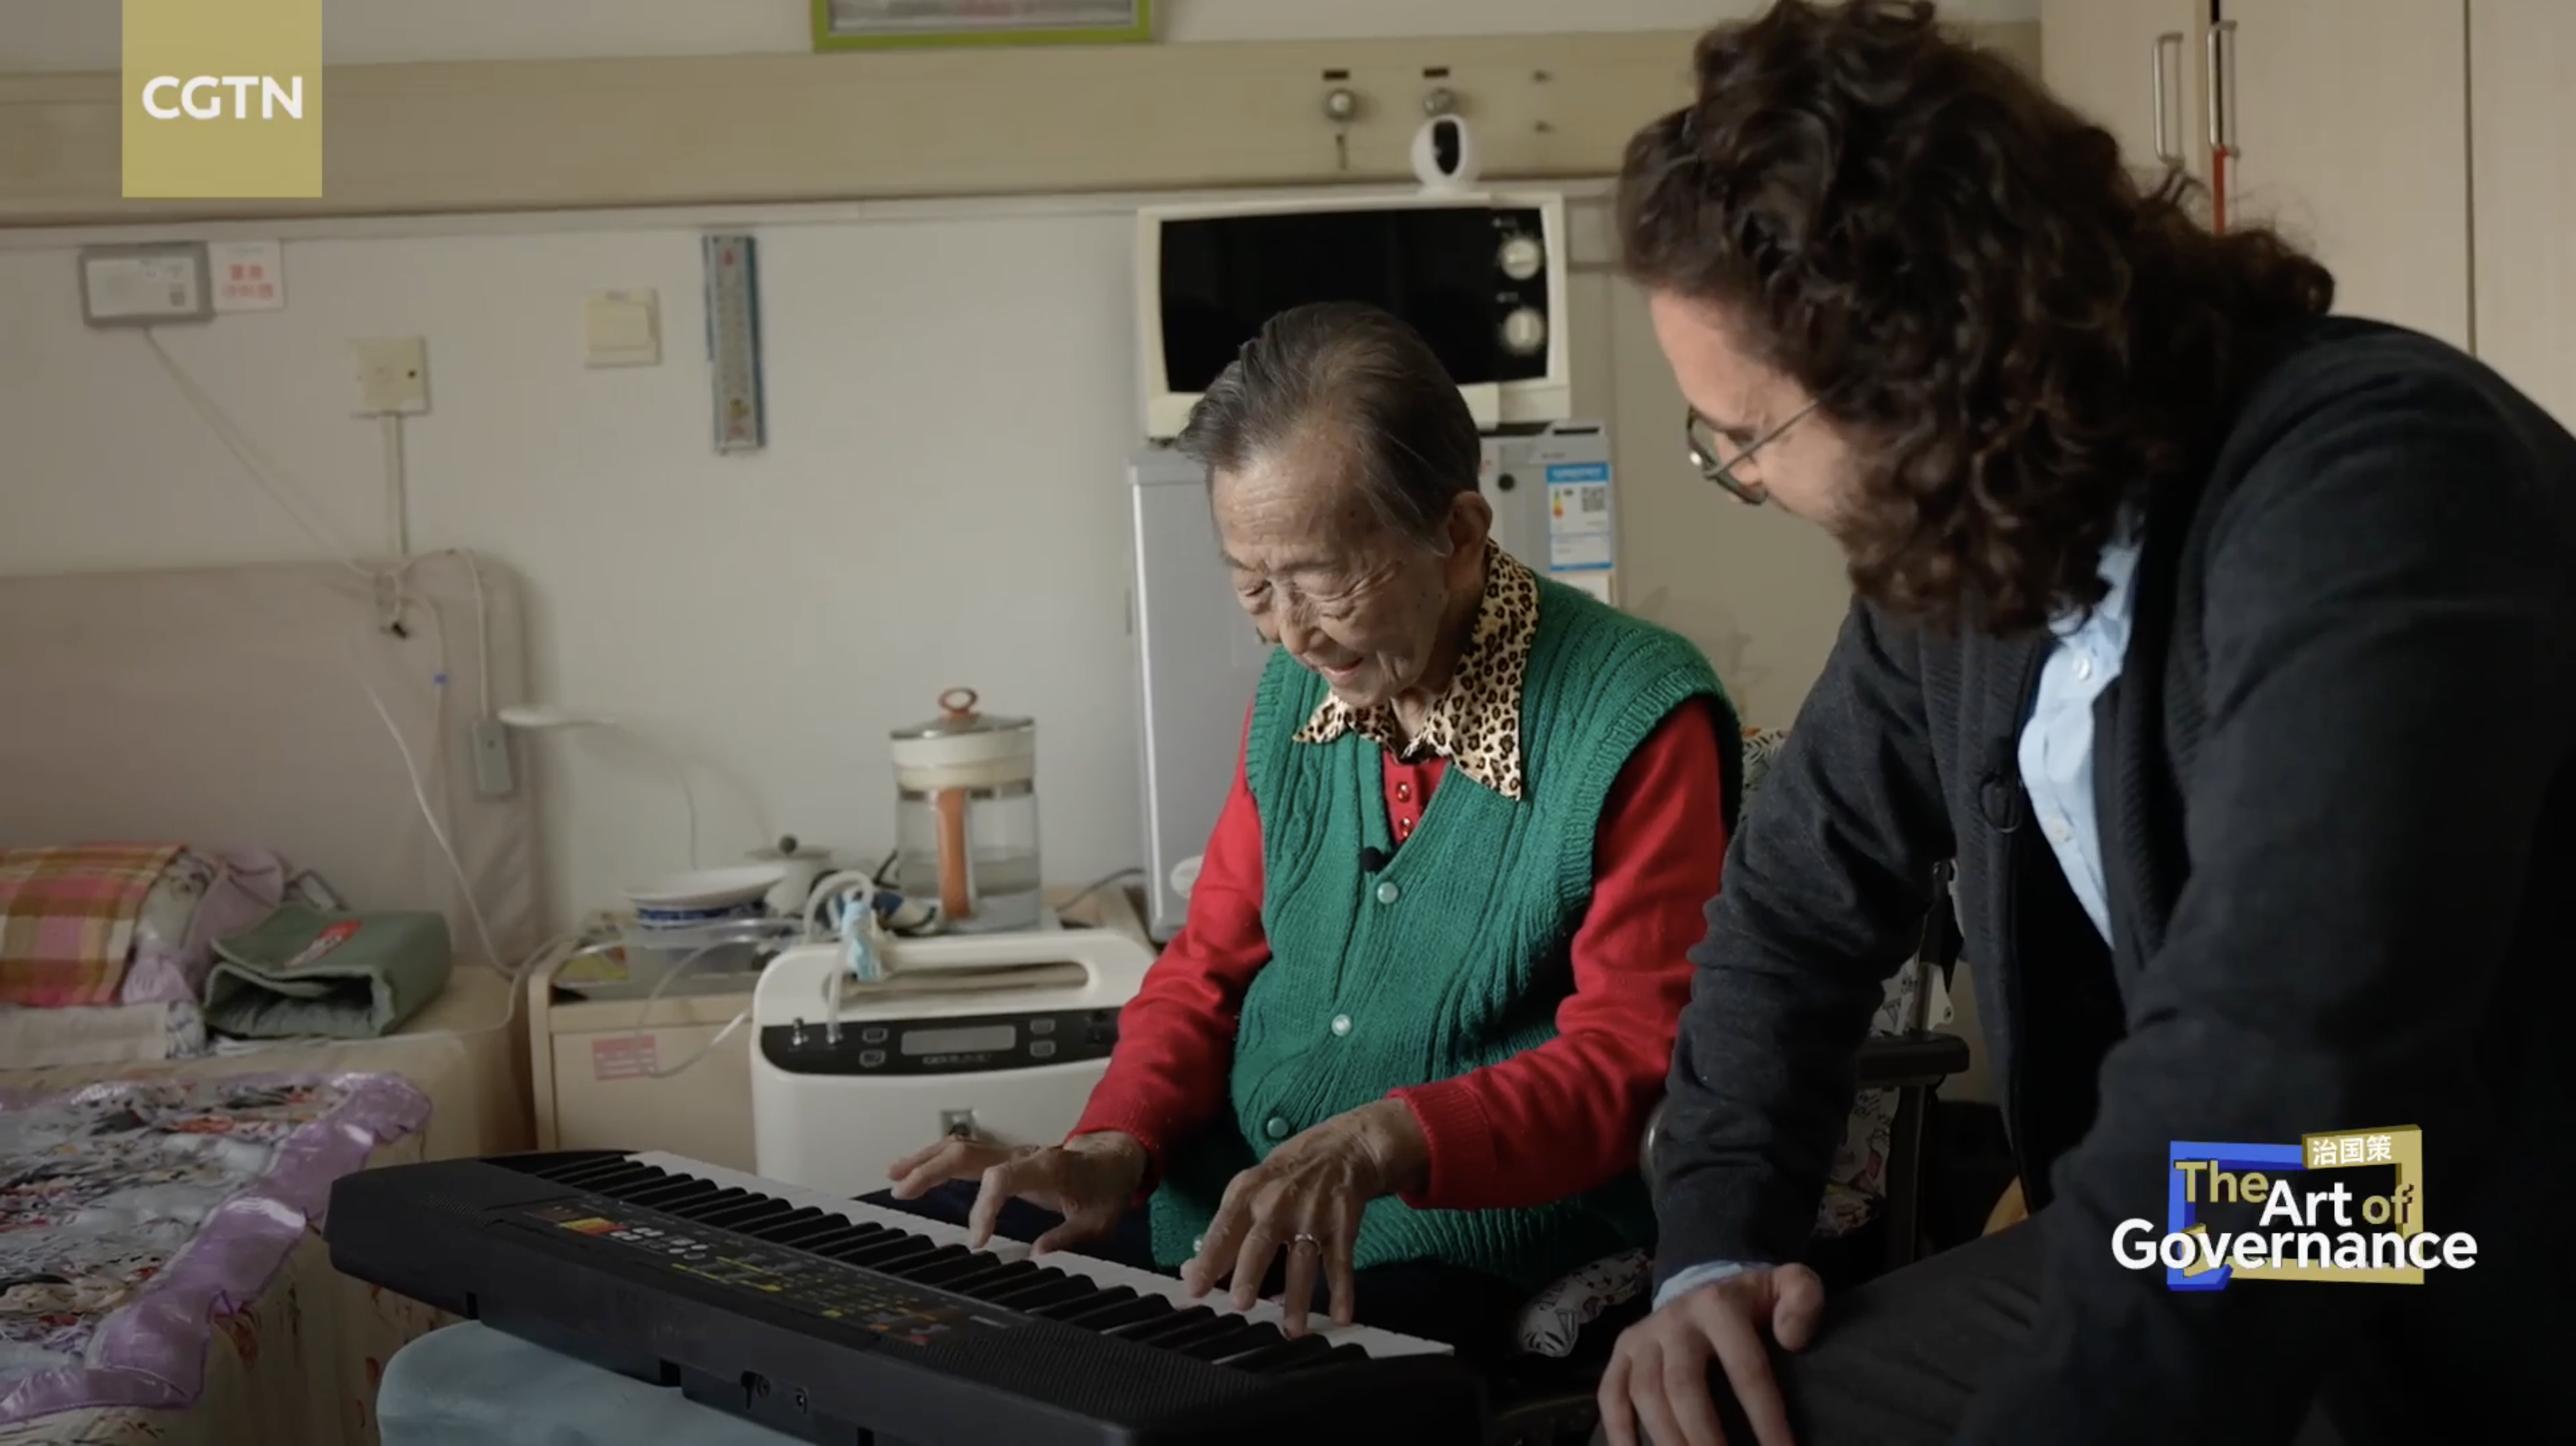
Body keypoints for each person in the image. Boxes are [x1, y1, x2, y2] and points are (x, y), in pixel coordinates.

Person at [1593, 2, 2576, 1444]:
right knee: (1725, 1414)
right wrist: (1716, 1256)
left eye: (1745, 440)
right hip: (2241, 1194)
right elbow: (1793, 910)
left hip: (2463, 1211)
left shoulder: (2376, 488)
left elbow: (2285, 1060)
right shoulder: (1970, 546)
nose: (1749, 482)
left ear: (1920, 373)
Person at [875, 299, 1744, 1357]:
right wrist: (1113, 1144)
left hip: (1462, 1245)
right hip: (1220, 1206)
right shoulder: (1301, 695)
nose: (1288, 631)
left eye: (1322, 579)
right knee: (899, 1280)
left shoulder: (1634, 716)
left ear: (1458, 536)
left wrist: (1387, 1141)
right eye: (1252, 583)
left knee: (1175, 1396)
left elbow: (1631, 1058)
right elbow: (1207, 970)